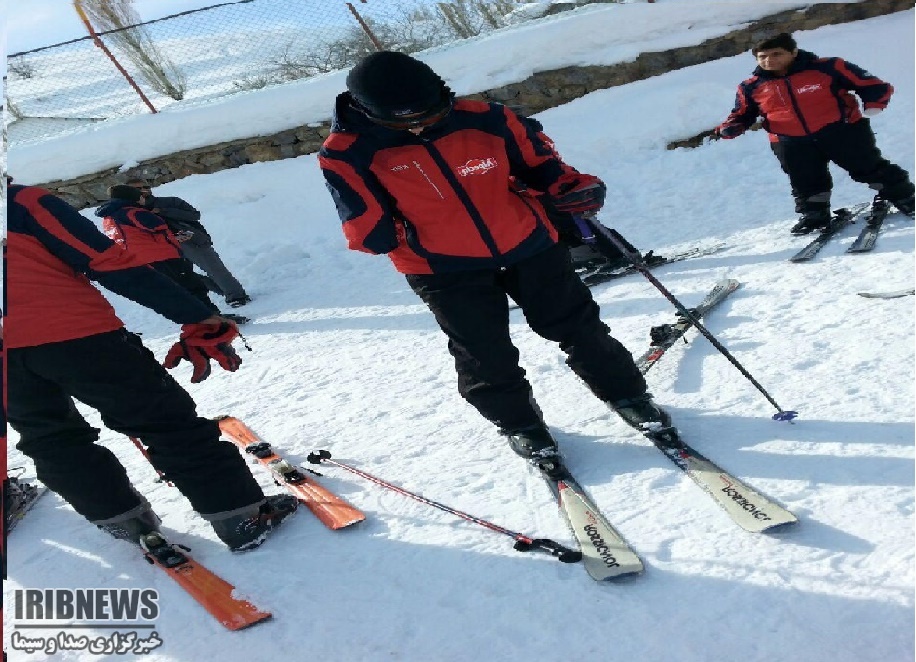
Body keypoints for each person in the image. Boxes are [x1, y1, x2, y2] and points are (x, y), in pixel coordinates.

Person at [318, 51, 672, 462]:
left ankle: (629, 395)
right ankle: (520, 423)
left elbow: (545, 168)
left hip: (528, 244)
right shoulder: (345, 152)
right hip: (440, 266)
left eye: (429, 116)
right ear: (367, 111)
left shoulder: (489, 118)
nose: (418, 126)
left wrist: (574, 190)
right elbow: (362, 220)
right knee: (483, 353)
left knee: (579, 327)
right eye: (402, 122)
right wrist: (387, 236)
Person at [5, 183, 296, 551]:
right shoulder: (19, 202)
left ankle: (123, 522)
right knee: (163, 421)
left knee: (50, 438)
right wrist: (197, 315)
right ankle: (239, 516)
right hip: (76, 335)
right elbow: (105, 261)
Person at [715, 32, 915, 234]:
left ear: (793, 52)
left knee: (867, 166)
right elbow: (742, 113)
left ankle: (905, 196)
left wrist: (874, 104)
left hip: (842, 131)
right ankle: (814, 214)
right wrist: (732, 127)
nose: (769, 60)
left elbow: (872, 85)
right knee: (805, 179)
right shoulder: (751, 86)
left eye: (777, 54)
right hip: (789, 141)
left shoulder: (828, 67)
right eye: (763, 56)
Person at [125, 177, 251, 308]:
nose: (144, 190)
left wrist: (162, 211)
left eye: (146, 187)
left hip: (191, 241)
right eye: (138, 189)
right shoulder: (130, 212)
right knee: (184, 276)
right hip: (164, 247)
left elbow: (194, 215)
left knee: (214, 269)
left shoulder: (169, 201)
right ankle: (224, 290)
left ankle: (237, 296)